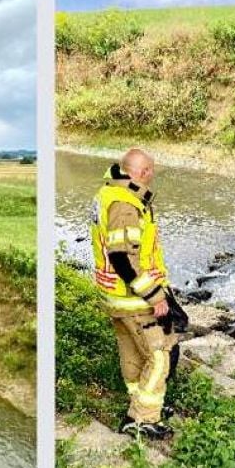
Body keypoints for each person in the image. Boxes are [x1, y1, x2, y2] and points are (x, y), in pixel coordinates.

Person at [89, 148, 176, 440]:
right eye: (151, 171)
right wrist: (155, 296)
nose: (153, 177)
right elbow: (123, 259)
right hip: (134, 300)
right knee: (159, 356)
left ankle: (136, 406)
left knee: (132, 353)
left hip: (114, 297)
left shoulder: (108, 193)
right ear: (142, 172)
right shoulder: (126, 205)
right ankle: (143, 419)